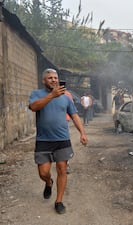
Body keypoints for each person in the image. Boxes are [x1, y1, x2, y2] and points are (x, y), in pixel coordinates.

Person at [28, 68, 88, 214]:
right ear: (44, 80)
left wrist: (82, 133)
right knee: (43, 172)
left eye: (55, 78)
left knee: (62, 169)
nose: (53, 80)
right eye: (50, 78)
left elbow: (74, 116)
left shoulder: (66, 98)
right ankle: (48, 182)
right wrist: (52, 96)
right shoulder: (36, 94)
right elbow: (34, 107)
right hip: (43, 140)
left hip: (62, 139)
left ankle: (59, 201)